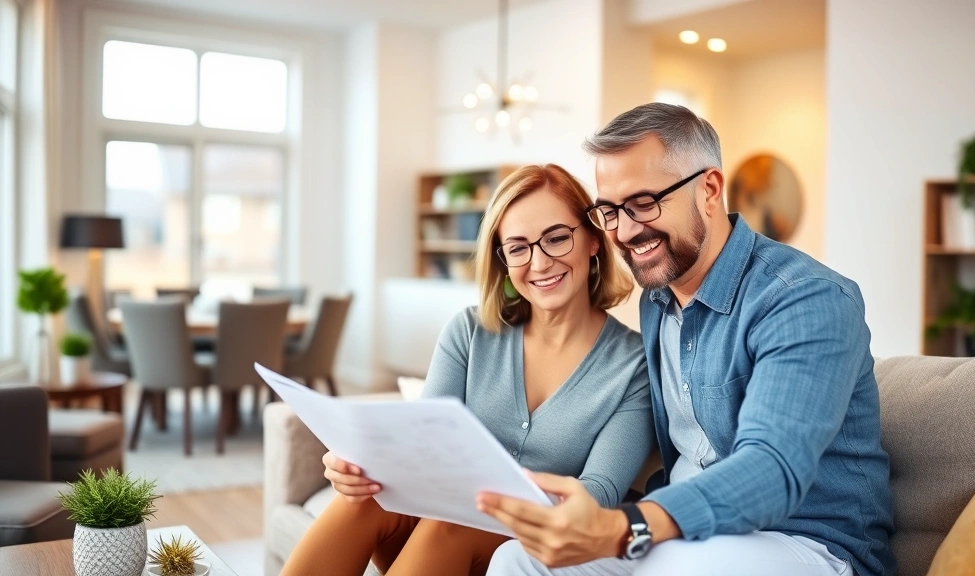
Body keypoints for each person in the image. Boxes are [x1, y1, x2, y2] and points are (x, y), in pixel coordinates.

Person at [481, 103, 896, 576]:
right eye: (610, 211)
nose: (626, 231)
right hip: (682, 535)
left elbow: (772, 468)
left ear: (710, 190)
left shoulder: (805, 299)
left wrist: (626, 526)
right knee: (518, 560)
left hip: (808, 543)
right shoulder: (656, 301)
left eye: (643, 203)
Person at [281, 164, 656, 576]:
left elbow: (598, 494)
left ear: (592, 241)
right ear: (504, 261)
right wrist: (357, 467)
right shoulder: (470, 331)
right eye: (518, 247)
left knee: (452, 522)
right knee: (364, 499)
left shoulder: (633, 364)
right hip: (436, 536)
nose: (540, 262)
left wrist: (496, 498)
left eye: (556, 238)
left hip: (532, 543)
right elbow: (418, 447)